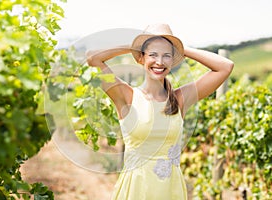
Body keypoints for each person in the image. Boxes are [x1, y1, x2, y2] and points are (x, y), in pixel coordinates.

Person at [86, 24, 234, 200]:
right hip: (136, 190)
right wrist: (132, 46)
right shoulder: (126, 96)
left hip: (170, 191)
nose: (159, 62)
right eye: (153, 54)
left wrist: (181, 49)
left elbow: (225, 66)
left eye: (166, 56)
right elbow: (92, 58)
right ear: (141, 58)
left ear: (173, 61)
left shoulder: (179, 99)